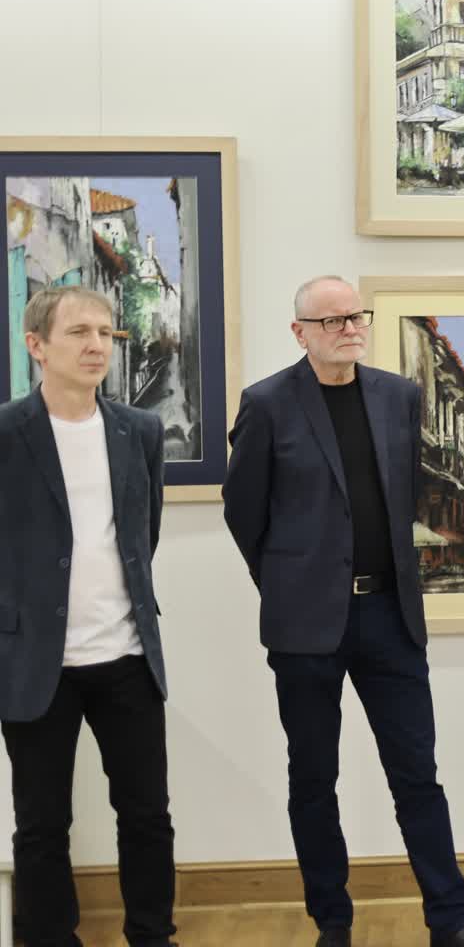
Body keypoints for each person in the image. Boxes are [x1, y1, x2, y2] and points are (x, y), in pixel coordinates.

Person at [221, 277, 464, 947]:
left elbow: (405, 497)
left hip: (390, 618)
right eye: (332, 320)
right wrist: (288, 585)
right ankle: (333, 923)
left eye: (355, 316)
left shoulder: (398, 397)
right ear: (300, 333)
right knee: (314, 780)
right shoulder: (267, 404)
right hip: (306, 628)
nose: (349, 328)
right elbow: (243, 512)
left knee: (417, 777)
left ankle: (450, 922)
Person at [0, 286, 178, 947]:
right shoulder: (6, 433)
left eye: (106, 332)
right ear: (37, 345)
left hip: (127, 656)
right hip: (35, 663)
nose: (97, 345)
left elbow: (142, 536)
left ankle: (152, 936)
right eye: (79, 332)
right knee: (42, 824)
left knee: (147, 816)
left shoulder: (140, 431)